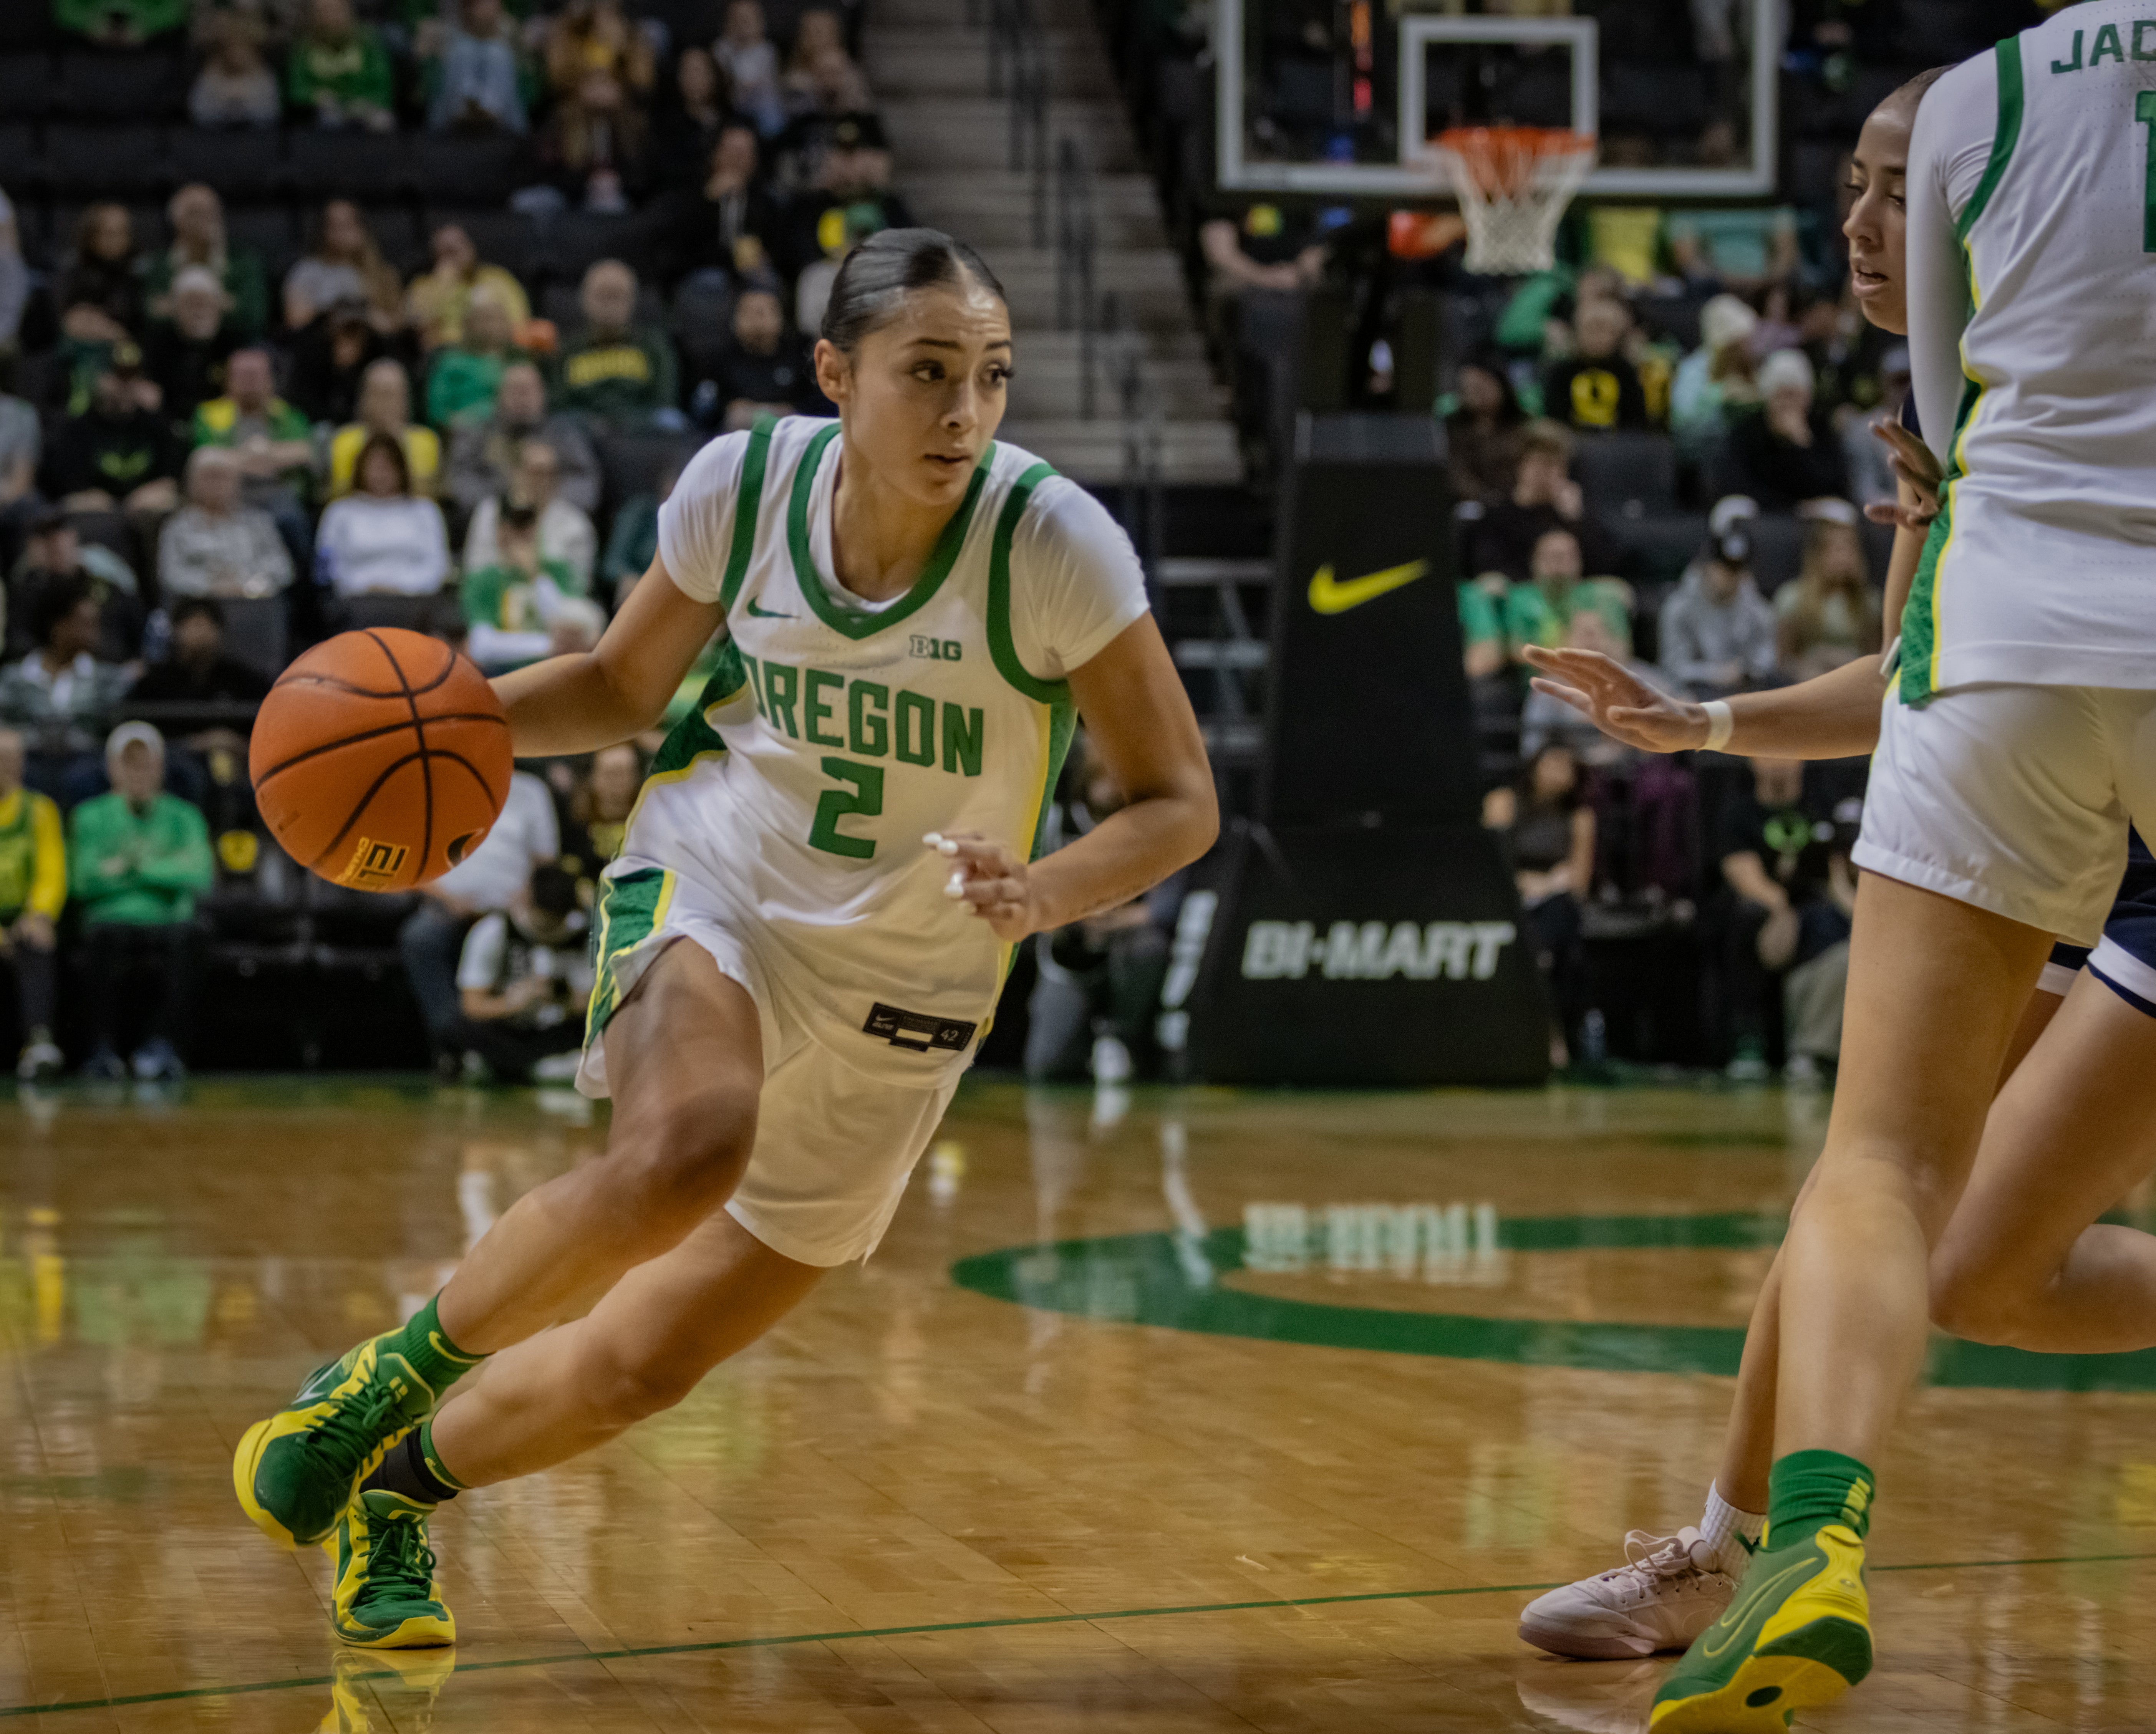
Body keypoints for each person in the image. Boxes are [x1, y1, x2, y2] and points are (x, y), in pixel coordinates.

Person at [229, 229, 1217, 1657]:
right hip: (722, 874)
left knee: (643, 1367)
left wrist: (1045, 891)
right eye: (927, 375)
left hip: (918, 975)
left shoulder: (1052, 543)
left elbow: (1179, 803)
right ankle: (375, 1381)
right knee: (686, 1147)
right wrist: (426, 730)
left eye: (991, 379)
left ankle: (396, 1486)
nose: (964, 414)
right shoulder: (743, 485)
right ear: (836, 372)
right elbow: (625, 685)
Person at [1519, 49, 2156, 1726]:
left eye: (1899, 185)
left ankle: (1769, 1542)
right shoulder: (1964, 440)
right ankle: (1736, 1554)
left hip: (2040, 690)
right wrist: (1708, 719)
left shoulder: (2005, 128)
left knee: (1874, 1164)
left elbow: (1956, 620)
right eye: (1855, 188)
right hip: (2037, 695)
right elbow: (1910, 652)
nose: (1872, 220)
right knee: (1951, 1247)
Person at [70, 723, 214, 1083]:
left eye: (146, 763)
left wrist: (132, 866)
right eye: (129, 763)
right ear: (112, 768)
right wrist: (165, 868)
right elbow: (83, 881)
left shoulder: (185, 816)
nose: (138, 772)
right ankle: (102, 1050)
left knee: (193, 937)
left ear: (161, 768)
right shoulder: (89, 815)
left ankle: (165, 1047)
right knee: (101, 939)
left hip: (169, 920)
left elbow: (199, 872)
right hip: (110, 920)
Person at [399, 765, 560, 1068]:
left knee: (540, 934)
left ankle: (522, 1046)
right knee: (419, 938)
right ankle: (453, 1037)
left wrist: (521, 899)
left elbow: (545, 861)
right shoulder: (439, 781)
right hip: (447, 907)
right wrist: (446, 897)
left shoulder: (531, 790)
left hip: (512, 911)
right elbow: (408, 863)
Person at [1484, 742, 1596, 1069]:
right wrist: (1524, 882)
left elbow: (1578, 880)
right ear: (1534, 766)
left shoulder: (1579, 817)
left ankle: (1553, 1034)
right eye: (1552, 763)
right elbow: (1489, 863)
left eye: (1567, 766)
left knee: (1560, 918)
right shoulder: (1502, 802)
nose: (1558, 772)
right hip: (1505, 897)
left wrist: (1545, 885)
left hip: (1551, 901)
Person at [450, 861, 595, 1083]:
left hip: (553, 1031)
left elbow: (588, 1005)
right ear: (527, 902)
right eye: (543, 924)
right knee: (458, 1027)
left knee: (598, 1027)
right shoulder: (494, 931)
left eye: (554, 925)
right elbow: (472, 1006)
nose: (548, 933)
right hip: (508, 1029)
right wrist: (513, 1002)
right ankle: (535, 1067)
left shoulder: (580, 935)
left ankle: (514, 1067)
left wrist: (562, 998)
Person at [0, 580, 133, 792]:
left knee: (86, 778)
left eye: (96, 624)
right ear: (58, 627)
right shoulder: (15, 677)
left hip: (86, 760)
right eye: (84, 624)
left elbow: (115, 725)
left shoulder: (108, 679)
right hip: (29, 760)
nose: (94, 633)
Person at [41, 352, 183, 538]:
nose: (126, 385)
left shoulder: (158, 425)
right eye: (118, 376)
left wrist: (140, 500)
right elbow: (70, 492)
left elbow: (170, 480)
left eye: (133, 377)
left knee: (166, 512)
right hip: (96, 513)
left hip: (142, 509)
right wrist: (113, 507)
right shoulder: (78, 428)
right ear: (100, 379)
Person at [191, 348, 315, 557]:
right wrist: (266, 458)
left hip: (277, 493)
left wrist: (256, 455)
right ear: (228, 381)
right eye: (243, 375)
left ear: (270, 380)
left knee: (292, 521)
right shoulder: (209, 415)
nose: (250, 382)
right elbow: (204, 457)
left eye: (255, 375)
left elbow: (305, 452)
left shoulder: (289, 415)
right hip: (232, 493)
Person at [444, 362, 602, 521]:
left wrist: (548, 505)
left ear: (543, 393)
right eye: (515, 390)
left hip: (554, 521)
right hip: (494, 521)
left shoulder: (564, 433)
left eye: (528, 390)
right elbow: (460, 480)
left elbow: (585, 483)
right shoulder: (478, 433)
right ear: (499, 395)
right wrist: (503, 505)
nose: (522, 398)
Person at [0, 728, 65, 1083]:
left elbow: (51, 871)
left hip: (24, 914)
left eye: (12, 759)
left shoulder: (39, 809)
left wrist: (39, 914)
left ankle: (39, 1043)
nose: (5, 767)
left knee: (40, 939)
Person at [315, 435, 453, 600]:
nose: (381, 475)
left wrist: (401, 588)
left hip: (414, 602)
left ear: (401, 469)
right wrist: (364, 587)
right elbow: (328, 569)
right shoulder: (339, 512)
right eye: (374, 467)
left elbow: (438, 566)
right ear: (360, 469)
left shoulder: (425, 511)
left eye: (388, 467)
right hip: (354, 604)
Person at [551, 261, 681, 429]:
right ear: (584, 300)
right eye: (602, 296)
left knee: (671, 420)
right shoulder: (567, 350)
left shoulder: (653, 346)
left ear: (632, 301)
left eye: (617, 296)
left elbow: (665, 400)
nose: (609, 306)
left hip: (643, 430)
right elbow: (559, 405)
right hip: (584, 432)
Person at [461, 503, 589, 672]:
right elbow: (481, 646)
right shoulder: (484, 579)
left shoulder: (557, 571)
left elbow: (565, 624)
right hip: (505, 676)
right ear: (501, 535)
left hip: (551, 674)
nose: (520, 538)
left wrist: (535, 577)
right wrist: (546, 646)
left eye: (528, 531)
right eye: (514, 530)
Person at [7, 512, 142, 664]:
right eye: (46, 538)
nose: (55, 542)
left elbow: (134, 627)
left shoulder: (104, 578)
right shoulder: (30, 589)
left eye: (60, 534)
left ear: (74, 537)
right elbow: (18, 640)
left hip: (109, 667)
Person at [462, 439, 597, 591]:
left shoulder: (575, 523)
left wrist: (535, 571)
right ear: (517, 472)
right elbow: (474, 571)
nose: (542, 481)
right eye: (535, 472)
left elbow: (579, 585)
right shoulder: (490, 512)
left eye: (550, 473)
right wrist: (508, 564)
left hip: (557, 608)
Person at [159, 448, 294, 600]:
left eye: (224, 477)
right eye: (210, 477)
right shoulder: (178, 527)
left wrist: (248, 584)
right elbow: (171, 575)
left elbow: (282, 569)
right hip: (202, 606)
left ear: (238, 482)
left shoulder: (258, 523)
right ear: (192, 482)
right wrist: (212, 587)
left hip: (253, 602)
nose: (217, 485)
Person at [1725, 347, 1851, 510]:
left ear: (1807, 398)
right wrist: (1788, 506)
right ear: (1768, 398)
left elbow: (1836, 487)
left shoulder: (1821, 430)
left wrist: (1802, 444)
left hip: (1813, 516)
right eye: (1781, 396)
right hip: (1765, 515)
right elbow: (1735, 485)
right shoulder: (1747, 432)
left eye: (1794, 395)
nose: (1788, 404)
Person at [1657, 528, 1777, 699]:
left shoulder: (1759, 609)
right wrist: (1715, 674)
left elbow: (1767, 662)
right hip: (1694, 691)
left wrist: (1744, 670)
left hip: (1743, 692)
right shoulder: (1679, 608)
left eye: (1735, 570)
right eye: (1721, 567)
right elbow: (1672, 668)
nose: (1728, 576)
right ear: (1706, 566)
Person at [144, 184, 270, 343]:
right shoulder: (160, 264)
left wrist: (178, 306)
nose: (207, 219)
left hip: (233, 347)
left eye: (212, 212)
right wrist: (225, 303)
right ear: (177, 221)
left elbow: (254, 316)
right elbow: (150, 314)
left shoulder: (243, 260)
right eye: (197, 213)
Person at [1468, 422, 1591, 583]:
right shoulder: (1498, 516)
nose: (1552, 473)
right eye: (1543, 463)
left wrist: (1577, 520)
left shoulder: (1571, 513)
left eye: (1558, 465)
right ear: (1521, 465)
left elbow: (1607, 567)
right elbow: (1489, 568)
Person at [1775, 500, 1880, 681]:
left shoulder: (1871, 602)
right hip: (1808, 682)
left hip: (1855, 680)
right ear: (1818, 555)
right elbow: (1783, 661)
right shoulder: (1792, 598)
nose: (1845, 557)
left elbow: (1878, 658)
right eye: (1837, 550)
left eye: (1851, 549)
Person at [1501, 528, 1632, 665]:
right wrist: (1570, 644)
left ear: (1579, 561)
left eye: (1566, 556)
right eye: (1552, 556)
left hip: (1594, 674)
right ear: (1535, 561)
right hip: (1541, 678)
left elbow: (1622, 652)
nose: (1559, 562)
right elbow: (1516, 652)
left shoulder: (1601, 596)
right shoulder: (1520, 598)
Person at [697, 285, 817, 431]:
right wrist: (729, 411)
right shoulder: (719, 359)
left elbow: (818, 407)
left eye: (761, 313)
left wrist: (789, 412)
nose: (755, 321)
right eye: (748, 313)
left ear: (780, 317)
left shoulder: (801, 356)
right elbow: (703, 411)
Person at [539, 67, 654, 212]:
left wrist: (618, 181)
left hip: (623, 196)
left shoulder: (635, 126)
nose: (599, 91)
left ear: (619, 89)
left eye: (605, 84)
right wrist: (587, 181)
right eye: (592, 84)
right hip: (572, 195)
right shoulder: (563, 122)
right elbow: (549, 169)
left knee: (610, 203)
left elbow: (644, 170)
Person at [405, 224, 533, 354]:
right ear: (436, 256)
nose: (459, 253)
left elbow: (519, 321)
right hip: (451, 352)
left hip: (499, 349)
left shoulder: (498, 278)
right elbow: (418, 325)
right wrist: (442, 286)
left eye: (461, 244)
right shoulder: (424, 286)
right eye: (450, 250)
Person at [141, 269, 241, 429]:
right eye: (190, 304)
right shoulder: (157, 345)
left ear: (219, 307)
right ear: (175, 309)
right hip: (171, 424)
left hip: (221, 429)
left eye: (205, 303)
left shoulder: (235, 345)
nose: (198, 311)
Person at [328, 362, 442, 499]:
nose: (386, 402)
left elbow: (425, 495)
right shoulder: (344, 441)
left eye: (393, 394)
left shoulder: (426, 442)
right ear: (364, 398)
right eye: (379, 393)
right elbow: (341, 495)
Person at [286, 203, 404, 336]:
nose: (341, 233)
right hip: (321, 343)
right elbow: (296, 320)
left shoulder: (383, 275)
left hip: (371, 345)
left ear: (362, 228)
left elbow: (395, 326)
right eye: (335, 225)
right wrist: (334, 309)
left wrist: (363, 313)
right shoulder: (308, 270)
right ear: (324, 231)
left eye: (348, 225)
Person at [686, 124, 785, 282]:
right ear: (715, 155)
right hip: (703, 270)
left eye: (745, 153)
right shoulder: (692, 195)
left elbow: (777, 249)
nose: (737, 159)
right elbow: (682, 242)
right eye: (732, 151)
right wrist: (708, 199)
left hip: (751, 272)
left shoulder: (766, 203)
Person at [130, 597, 273, 706]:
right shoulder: (154, 685)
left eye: (207, 625)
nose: (200, 633)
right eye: (193, 625)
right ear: (176, 631)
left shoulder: (244, 681)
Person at [1669, 292, 1760, 461]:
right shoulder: (1694, 368)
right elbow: (1681, 422)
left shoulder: (1748, 369)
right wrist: (1719, 396)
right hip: (1701, 460)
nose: (1748, 347)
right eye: (1741, 341)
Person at [1542, 300, 1652, 433]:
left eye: (1606, 330)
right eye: (1591, 329)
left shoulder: (1626, 372)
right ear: (1577, 332)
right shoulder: (1561, 372)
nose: (1598, 338)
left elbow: (1635, 420)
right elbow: (1555, 421)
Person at [286, 0, 396, 132]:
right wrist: (315, 97)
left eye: (338, 11)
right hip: (327, 112)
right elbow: (296, 90)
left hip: (367, 107)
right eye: (325, 12)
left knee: (383, 121)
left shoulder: (369, 43)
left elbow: (384, 87)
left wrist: (363, 103)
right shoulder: (304, 49)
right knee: (330, 119)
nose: (333, 17)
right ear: (315, 17)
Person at [423, 288, 524, 430]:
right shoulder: (451, 362)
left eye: (499, 319)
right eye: (486, 319)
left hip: (512, 431)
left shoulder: (519, 361)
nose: (493, 326)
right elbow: (437, 410)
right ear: (469, 324)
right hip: (464, 434)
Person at [426, 0, 530, 134]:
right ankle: (470, 107)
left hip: (504, 125)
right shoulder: (451, 42)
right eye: (482, 5)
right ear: (469, 10)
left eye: (492, 4)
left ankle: (487, 108)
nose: (488, 10)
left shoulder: (511, 35)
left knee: (498, 53)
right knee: (464, 51)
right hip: (453, 125)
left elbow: (529, 88)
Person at [1440, 353, 1527, 506]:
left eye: (1482, 387)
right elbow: (1458, 477)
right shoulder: (1452, 431)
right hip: (1473, 508)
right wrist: (1488, 500)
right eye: (1470, 389)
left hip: (1519, 505)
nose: (1477, 395)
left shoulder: (1524, 428)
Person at [56, 205, 146, 350]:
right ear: (91, 238)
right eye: (111, 234)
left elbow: (138, 327)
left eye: (124, 233)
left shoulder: (137, 275)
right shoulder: (73, 273)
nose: (120, 240)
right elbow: (68, 321)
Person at [190, 8, 282, 129]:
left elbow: (271, 112)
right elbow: (199, 111)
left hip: (258, 141)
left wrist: (244, 110)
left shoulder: (264, 77)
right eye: (233, 47)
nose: (237, 54)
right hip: (215, 141)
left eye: (242, 48)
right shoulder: (210, 75)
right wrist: (226, 110)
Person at [563, 739, 642, 877]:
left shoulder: (648, 825)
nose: (617, 783)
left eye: (624, 773)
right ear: (593, 778)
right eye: (610, 774)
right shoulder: (574, 827)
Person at [601, 462, 676, 603]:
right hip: (642, 590)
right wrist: (630, 578)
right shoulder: (640, 512)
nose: (676, 490)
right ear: (664, 484)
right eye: (673, 482)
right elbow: (612, 564)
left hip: (683, 593)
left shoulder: (702, 520)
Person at [656, 46, 731, 187]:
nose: (693, 79)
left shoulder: (734, 123)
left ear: (715, 75)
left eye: (699, 71)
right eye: (687, 71)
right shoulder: (667, 126)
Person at [714, 0, 786, 135]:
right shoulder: (721, 50)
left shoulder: (768, 51)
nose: (742, 25)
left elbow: (754, 86)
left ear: (759, 22)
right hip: (731, 116)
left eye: (747, 19)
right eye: (738, 19)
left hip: (767, 122)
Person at [56, 0, 186, 45]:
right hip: (83, 55)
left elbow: (176, 10)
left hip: (151, 55)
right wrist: (88, 24)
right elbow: (63, 10)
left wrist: (147, 27)